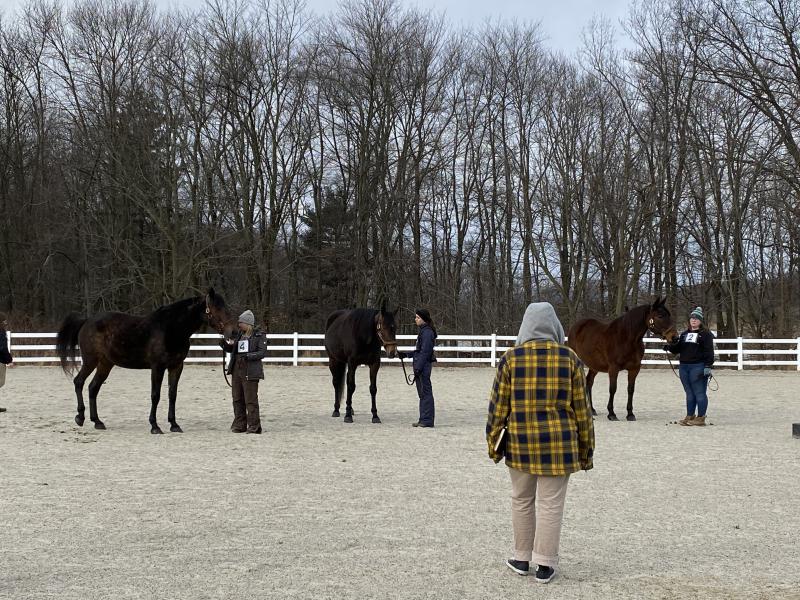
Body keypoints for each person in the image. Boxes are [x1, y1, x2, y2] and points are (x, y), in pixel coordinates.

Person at [486, 302, 594, 584]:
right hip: (560, 445)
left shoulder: (511, 359)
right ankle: (545, 564)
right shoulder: (570, 359)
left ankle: (522, 558)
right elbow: (582, 411)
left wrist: (492, 443)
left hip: (521, 442)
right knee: (551, 504)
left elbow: (498, 407)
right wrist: (586, 450)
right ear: (555, 326)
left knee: (521, 500)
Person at [664, 306, 715, 426]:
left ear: (700, 321)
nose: (694, 320)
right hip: (684, 367)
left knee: (699, 392)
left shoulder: (706, 334)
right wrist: (670, 347)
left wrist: (708, 365)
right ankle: (690, 415)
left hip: (698, 366)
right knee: (689, 393)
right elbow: (679, 348)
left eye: (696, 319)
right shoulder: (685, 334)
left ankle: (701, 417)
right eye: (692, 318)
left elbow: (709, 351)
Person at [220, 310, 268, 433]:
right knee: (237, 398)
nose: (239, 325)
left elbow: (262, 353)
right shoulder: (239, 335)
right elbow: (233, 350)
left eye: (241, 322)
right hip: (237, 369)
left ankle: (254, 426)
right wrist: (224, 345)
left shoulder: (259, 335)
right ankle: (240, 424)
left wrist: (248, 356)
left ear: (248, 323)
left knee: (250, 399)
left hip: (250, 370)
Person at [404, 308, 437, 428]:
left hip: (423, 367)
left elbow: (425, 352)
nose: (415, 319)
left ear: (424, 319)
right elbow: (419, 351)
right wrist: (407, 354)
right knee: (423, 393)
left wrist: (418, 367)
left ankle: (427, 420)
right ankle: (424, 418)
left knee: (425, 392)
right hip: (421, 365)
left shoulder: (427, 333)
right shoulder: (424, 331)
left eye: (418, 317)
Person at [0, 313, 11, 413]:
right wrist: (9, 359)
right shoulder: (1, 332)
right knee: (0, 382)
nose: (6, 323)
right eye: (4, 321)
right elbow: (3, 347)